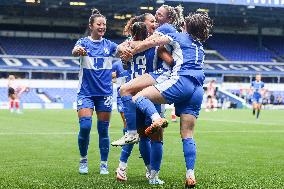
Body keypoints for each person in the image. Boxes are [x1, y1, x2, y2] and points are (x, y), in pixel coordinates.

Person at [120, 12, 213, 188]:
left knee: (138, 96)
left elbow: (151, 42)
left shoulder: (177, 36)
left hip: (181, 81)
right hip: (198, 89)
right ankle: (190, 174)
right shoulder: (200, 46)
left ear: (186, 26)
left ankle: (156, 118)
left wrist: (131, 49)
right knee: (187, 134)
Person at [111, 4, 184, 146]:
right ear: (142, 24)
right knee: (142, 136)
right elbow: (120, 54)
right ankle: (136, 166)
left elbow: (165, 56)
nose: (155, 20)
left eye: (157, 16)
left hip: (154, 84)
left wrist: (131, 49)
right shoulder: (135, 41)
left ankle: (149, 167)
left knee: (155, 137)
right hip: (138, 88)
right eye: (151, 19)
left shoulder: (160, 38)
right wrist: (123, 52)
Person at [114, 14, 173, 185]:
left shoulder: (131, 45)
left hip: (134, 95)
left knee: (140, 136)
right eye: (152, 21)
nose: (155, 24)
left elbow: (123, 58)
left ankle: (144, 171)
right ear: (143, 24)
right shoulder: (154, 44)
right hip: (150, 94)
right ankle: (151, 174)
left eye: (156, 21)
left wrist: (123, 55)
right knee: (152, 136)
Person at [71, 8, 129, 175]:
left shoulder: (109, 45)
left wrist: (129, 48)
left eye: (104, 24)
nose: (102, 27)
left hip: (104, 94)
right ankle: (83, 159)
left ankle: (104, 163)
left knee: (103, 130)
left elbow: (122, 50)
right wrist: (78, 52)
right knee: (85, 126)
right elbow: (74, 51)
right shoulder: (83, 42)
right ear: (91, 26)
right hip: (86, 93)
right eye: (99, 24)